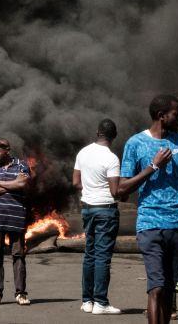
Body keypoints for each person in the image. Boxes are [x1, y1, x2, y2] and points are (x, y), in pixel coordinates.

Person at [119, 94, 178, 324]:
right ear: (162, 116)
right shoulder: (135, 144)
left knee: (169, 290)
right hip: (150, 224)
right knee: (156, 288)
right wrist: (153, 166)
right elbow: (122, 188)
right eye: (176, 114)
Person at [73, 119, 123, 315]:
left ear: (97, 133)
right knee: (103, 256)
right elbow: (114, 190)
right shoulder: (111, 158)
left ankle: (87, 301)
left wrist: (90, 189)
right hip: (106, 210)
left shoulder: (83, 153)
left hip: (87, 208)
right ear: (114, 136)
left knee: (90, 254)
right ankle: (101, 303)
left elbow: (76, 182)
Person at [0, 138, 32, 307]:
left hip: (16, 217)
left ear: (7, 150)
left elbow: (22, 183)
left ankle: (21, 293)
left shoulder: (22, 165)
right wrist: (13, 184)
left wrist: (0, 183)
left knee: (18, 255)